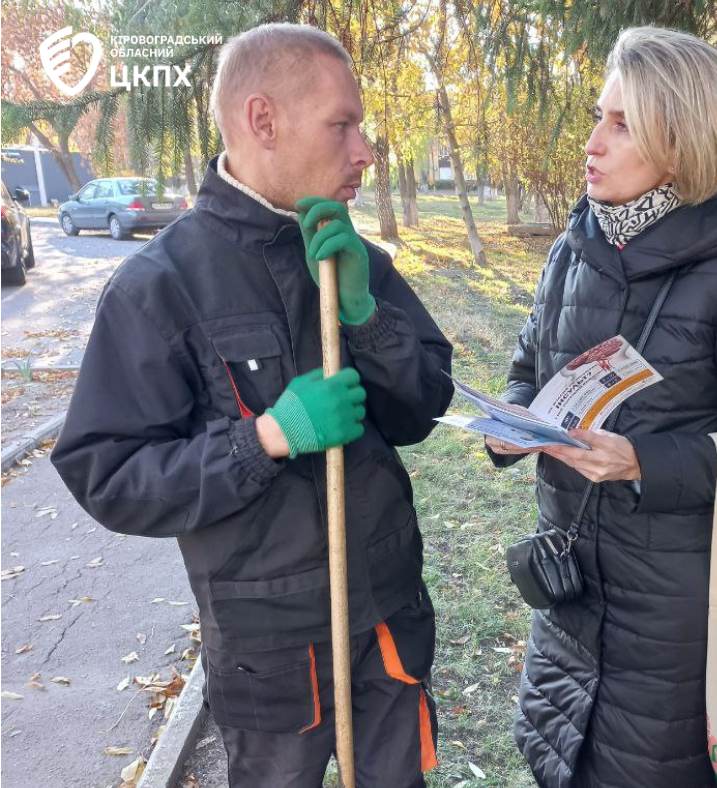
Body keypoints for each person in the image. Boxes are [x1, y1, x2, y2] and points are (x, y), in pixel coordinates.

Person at [51, 23, 453, 788]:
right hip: (269, 656)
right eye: (342, 125)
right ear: (263, 120)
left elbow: (422, 409)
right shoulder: (160, 287)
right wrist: (265, 437)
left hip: (387, 618)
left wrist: (368, 317)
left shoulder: (356, 260)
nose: (365, 150)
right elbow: (106, 474)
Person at [485, 26, 717, 788]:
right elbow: (528, 367)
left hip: (669, 615)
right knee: (560, 763)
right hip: (565, 585)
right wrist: (510, 423)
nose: (591, 142)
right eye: (598, 117)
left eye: (621, 124)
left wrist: (642, 462)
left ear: (678, 143)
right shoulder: (572, 248)